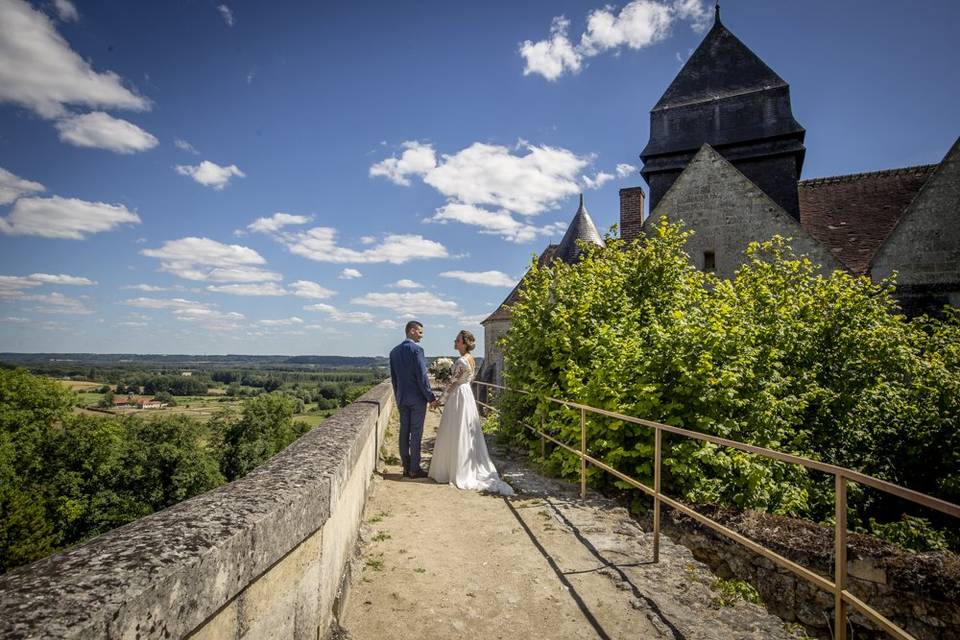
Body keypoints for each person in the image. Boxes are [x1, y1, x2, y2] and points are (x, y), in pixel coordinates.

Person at [428, 330, 514, 495]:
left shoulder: (461, 360)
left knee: (455, 428)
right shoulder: (471, 359)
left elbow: (453, 382)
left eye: (458, 340)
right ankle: (461, 465)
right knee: (465, 428)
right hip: (467, 393)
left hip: (459, 394)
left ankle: (454, 469)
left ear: (465, 343)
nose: (455, 341)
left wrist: (441, 400)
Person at [389, 320, 437, 479]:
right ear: (411, 331)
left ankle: (405, 467)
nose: (422, 336)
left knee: (404, 432)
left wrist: (398, 397)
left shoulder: (394, 352)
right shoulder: (417, 350)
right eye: (420, 332)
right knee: (416, 433)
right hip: (417, 399)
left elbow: (394, 380)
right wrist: (431, 397)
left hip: (402, 397)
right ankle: (414, 469)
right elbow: (422, 377)